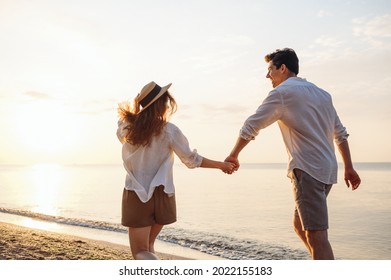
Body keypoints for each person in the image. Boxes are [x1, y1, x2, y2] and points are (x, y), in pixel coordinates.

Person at [225, 48, 361, 260]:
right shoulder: (323, 94)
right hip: (327, 171)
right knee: (300, 225)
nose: (267, 75)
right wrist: (349, 167)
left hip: (308, 170)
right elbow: (341, 135)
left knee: (317, 235)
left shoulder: (281, 93)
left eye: (270, 70)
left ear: (283, 68)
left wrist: (233, 155)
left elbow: (251, 125)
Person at [117, 81, 235, 260]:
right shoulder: (169, 131)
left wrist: (137, 108)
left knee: (140, 252)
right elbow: (191, 160)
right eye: (164, 101)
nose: (166, 105)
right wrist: (222, 165)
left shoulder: (127, 129)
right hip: (164, 194)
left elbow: (123, 123)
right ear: (160, 105)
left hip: (137, 193)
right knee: (148, 246)